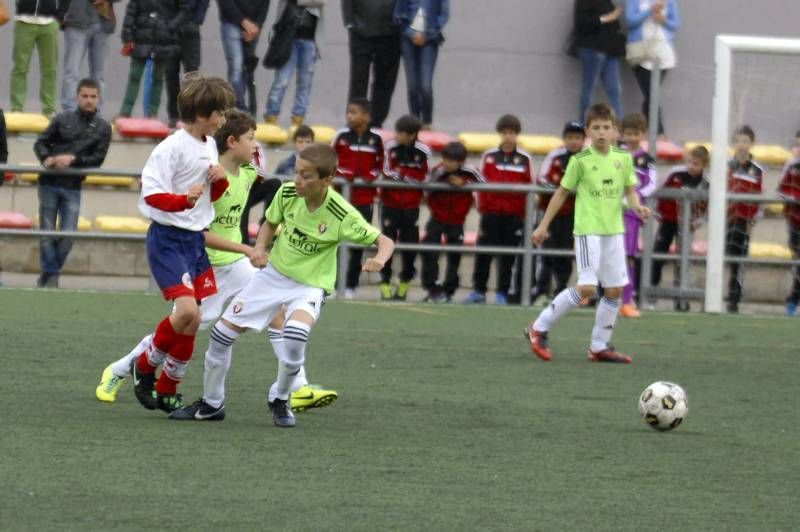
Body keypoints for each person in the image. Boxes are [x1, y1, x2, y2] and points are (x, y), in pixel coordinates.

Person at [96, 110, 337, 418]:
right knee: (185, 323)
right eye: (251, 138)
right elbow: (202, 234)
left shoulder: (247, 173)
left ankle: (298, 387)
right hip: (205, 263)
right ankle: (120, 369)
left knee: (276, 310)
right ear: (232, 142)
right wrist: (246, 247)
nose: (256, 145)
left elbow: (271, 185)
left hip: (237, 264)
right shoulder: (209, 177)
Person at [203, 143, 394, 427]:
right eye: (296, 172)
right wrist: (259, 247)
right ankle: (211, 403)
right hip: (272, 277)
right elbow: (270, 222)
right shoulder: (287, 192)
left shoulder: (341, 215)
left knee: (295, 335)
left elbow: (385, 241)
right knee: (220, 335)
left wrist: (379, 258)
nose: (298, 180)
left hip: (309, 286)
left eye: (306, 176)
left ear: (327, 180)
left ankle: (280, 397)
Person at [127, 74, 234, 414]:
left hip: (194, 242)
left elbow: (209, 198)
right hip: (168, 239)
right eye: (220, 112)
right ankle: (144, 365)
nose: (223, 118)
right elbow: (152, 195)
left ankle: (169, 385)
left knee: (193, 318)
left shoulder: (209, 144)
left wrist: (219, 183)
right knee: (186, 311)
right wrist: (182, 201)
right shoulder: (171, 147)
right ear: (202, 113)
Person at [525, 103, 651, 364]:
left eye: (607, 127)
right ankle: (538, 327)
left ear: (616, 131)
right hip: (588, 231)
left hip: (614, 231)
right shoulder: (580, 161)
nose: (602, 132)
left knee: (614, 290)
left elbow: (630, 190)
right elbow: (561, 192)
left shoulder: (623, 159)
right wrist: (543, 225)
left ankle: (599, 345)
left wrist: (638, 207)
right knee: (587, 287)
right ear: (588, 131)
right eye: (596, 128)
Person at [33, 79, 112, 288]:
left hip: (73, 185)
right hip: (49, 181)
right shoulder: (62, 118)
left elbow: (97, 159)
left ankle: (48, 274)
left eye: (93, 97)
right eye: (85, 96)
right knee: (46, 234)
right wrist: (46, 159)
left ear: (98, 99)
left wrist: (73, 160)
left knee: (68, 236)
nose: (88, 100)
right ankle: (51, 278)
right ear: (77, 97)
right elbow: (40, 142)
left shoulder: (103, 127)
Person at [464, 114, 533, 305]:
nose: (508, 137)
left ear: (517, 135)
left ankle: (502, 293)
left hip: (513, 217)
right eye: (505, 133)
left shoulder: (525, 158)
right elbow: (481, 183)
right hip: (490, 214)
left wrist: (521, 214)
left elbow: (529, 187)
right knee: (484, 253)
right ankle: (478, 291)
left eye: (512, 133)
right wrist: (484, 209)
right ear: (500, 134)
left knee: (508, 257)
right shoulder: (489, 156)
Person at [332, 98, 384, 298]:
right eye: (348, 112)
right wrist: (344, 172)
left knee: (357, 243)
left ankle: (351, 285)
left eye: (354, 112)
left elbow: (382, 167)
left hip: (364, 200)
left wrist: (372, 175)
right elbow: (329, 161)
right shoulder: (341, 136)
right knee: (335, 241)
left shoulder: (376, 140)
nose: (349, 116)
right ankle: (334, 284)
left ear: (366, 116)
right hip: (340, 199)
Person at [531, 121, 586, 305]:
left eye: (577, 137)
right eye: (570, 137)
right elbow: (542, 179)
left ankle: (561, 290)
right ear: (564, 139)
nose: (573, 141)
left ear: (583, 140)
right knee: (548, 251)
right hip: (553, 214)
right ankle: (541, 290)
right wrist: (562, 188)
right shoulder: (555, 156)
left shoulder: (588, 157)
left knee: (566, 253)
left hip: (576, 215)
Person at [421, 141, 483, 303]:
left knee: (454, 256)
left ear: (461, 162)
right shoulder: (438, 170)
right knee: (430, 252)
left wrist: (465, 184)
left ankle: (449, 290)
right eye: (445, 159)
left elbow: (485, 183)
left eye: (451, 161)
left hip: (457, 221)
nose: (446, 164)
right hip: (436, 219)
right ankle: (432, 288)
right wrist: (442, 184)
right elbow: (426, 187)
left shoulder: (470, 171)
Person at [651, 145, 709, 312]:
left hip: (687, 226)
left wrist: (697, 223)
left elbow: (708, 208)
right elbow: (659, 191)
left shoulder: (706, 184)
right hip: (667, 222)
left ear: (704, 165)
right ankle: (651, 294)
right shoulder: (675, 174)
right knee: (658, 256)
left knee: (683, 261)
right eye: (690, 162)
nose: (691, 166)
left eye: (696, 164)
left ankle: (681, 298)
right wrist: (658, 213)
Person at [379, 114, 430, 301]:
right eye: (397, 131)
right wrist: (404, 177)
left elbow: (425, 176)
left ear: (412, 135)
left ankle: (404, 286)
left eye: (402, 132)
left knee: (410, 245)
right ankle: (384, 284)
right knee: (387, 244)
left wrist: (405, 177)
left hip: (411, 207)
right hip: (389, 204)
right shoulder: (389, 148)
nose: (397, 135)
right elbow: (385, 171)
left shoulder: (423, 151)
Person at [118, 0, 187, 119]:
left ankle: (152, 114)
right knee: (135, 77)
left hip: (164, 40)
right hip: (141, 38)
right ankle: (125, 112)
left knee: (158, 79)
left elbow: (184, 11)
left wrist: (171, 26)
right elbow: (130, 13)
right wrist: (127, 38)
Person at [619, 112, 656, 317]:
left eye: (636, 133)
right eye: (629, 133)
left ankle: (627, 299)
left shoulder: (646, 159)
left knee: (628, 256)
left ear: (643, 134)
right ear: (622, 134)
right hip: (609, 211)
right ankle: (595, 293)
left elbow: (651, 184)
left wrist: (634, 197)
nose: (632, 138)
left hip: (631, 214)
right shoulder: (614, 153)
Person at [263, 0, 324, 127]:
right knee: (282, 80)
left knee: (305, 83)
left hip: (310, 39)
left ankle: (298, 120)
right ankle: (271, 118)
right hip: (288, 37)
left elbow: (321, 1)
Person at [342, 0, 401, 129]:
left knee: (385, 81)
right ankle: (355, 119)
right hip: (360, 30)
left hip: (390, 32)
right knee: (359, 79)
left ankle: (376, 121)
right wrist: (349, 22)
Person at [625, 0, 680, 138]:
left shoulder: (670, 1)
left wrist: (664, 20)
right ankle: (659, 133)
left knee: (651, 95)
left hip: (662, 52)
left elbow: (675, 24)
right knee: (651, 94)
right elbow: (630, 22)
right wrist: (650, 10)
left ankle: (645, 131)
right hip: (641, 51)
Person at [393, 0, 449, 129]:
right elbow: (398, 15)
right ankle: (414, 122)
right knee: (412, 85)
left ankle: (427, 122)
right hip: (408, 40)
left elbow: (444, 15)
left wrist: (427, 34)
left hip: (430, 40)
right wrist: (411, 33)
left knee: (425, 85)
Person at [726, 125, 764, 314]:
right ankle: (720, 295)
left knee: (738, 260)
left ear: (752, 144)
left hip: (743, 221)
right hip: (726, 220)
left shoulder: (757, 170)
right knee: (727, 256)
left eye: (746, 141)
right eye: (739, 141)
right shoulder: (726, 166)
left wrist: (753, 220)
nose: (742, 145)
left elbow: (760, 199)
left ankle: (734, 298)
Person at [59, 0, 118, 113]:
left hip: (103, 23)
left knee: (99, 75)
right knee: (72, 71)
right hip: (76, 21)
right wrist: (61, 15)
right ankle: (70, 112)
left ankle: (96, 112)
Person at [573, 0, 626, 122]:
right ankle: (583, 126)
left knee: (614, 90)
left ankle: (619, 129)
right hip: (592, 48)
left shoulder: (606, 2)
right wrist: (607, 18)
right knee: (589, 88)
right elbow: (582, 23)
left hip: (609, 49)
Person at [216, 0, 270, 111]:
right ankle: (239, 108)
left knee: (246, 70)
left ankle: (237, 109)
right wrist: (243, 22)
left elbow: (265, 4)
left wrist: (257, 26)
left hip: (253, 26)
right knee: (236, 68)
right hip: (231, 23)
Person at [10, 0, 60, 116]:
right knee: (20, 68)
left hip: (49, 23)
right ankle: (17, 108)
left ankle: (49, 109)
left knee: (50, 69)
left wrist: (61, 14)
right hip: (23, 21)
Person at [166, 0, 211, 128]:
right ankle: (174, 115)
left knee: (192, 74)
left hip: (191, 29)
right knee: (170, 73)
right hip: (171, 30)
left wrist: (197, 20)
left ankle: (190, 114)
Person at [778, 149, 800, 316]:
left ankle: (793, 300)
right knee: (797, 264)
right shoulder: (793, 166)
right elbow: (781, 190)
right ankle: (793, 300)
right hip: (795, 222)